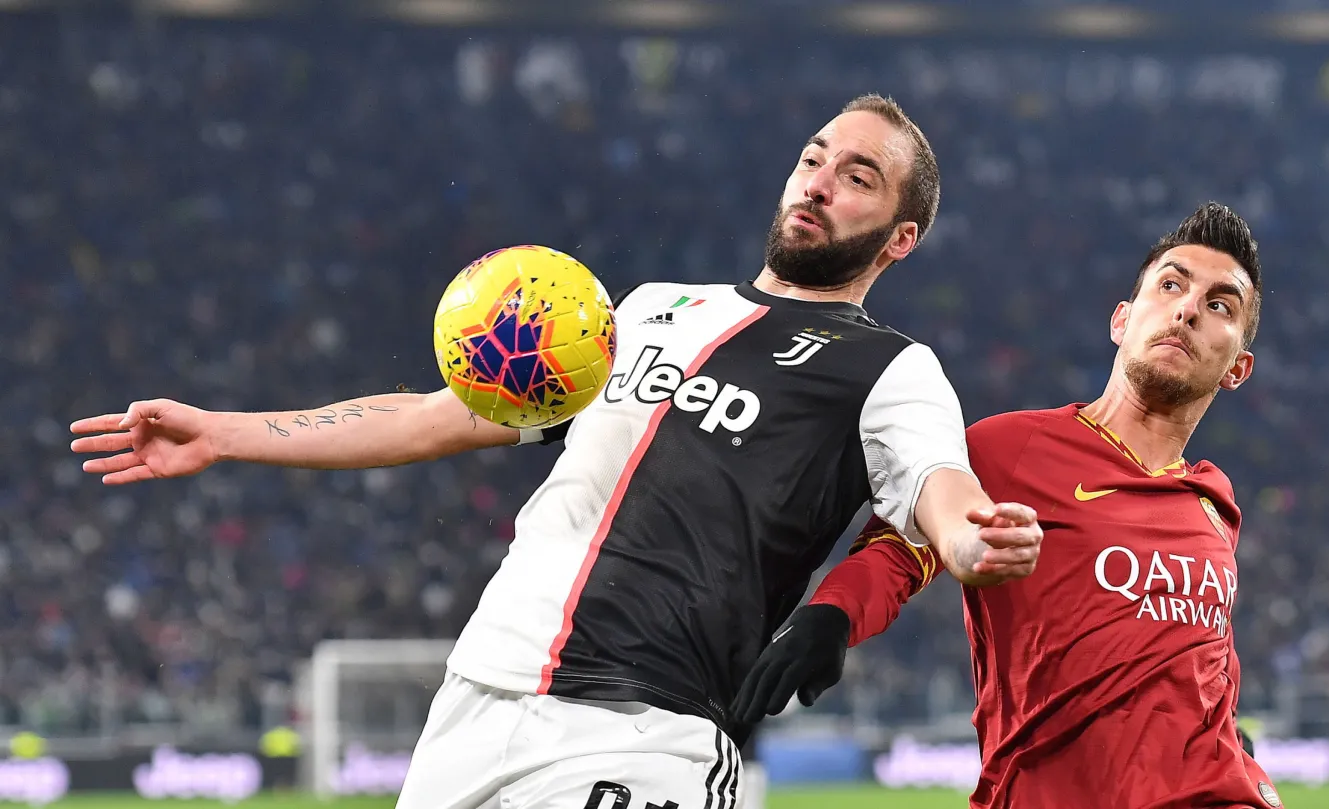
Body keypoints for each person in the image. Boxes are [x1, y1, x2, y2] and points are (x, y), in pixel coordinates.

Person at [70, 94, 1043, 809]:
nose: (819, 183)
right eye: (813, 158)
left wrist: (970, 538)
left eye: (857, 177)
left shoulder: (887, 365)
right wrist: (224, 433)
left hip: (640, 728)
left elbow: (934, 488)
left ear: (900, 237)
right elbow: (443, 415)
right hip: (474, 706)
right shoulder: (651, 309)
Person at [732, 202, 1284, 808]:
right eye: (1171, 284)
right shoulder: (1010, 449)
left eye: (1219, 305)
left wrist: (1225, 725)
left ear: (1238, 368)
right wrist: (832, 615)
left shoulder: (1215, 501)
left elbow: (1196, 644)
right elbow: (903, 543)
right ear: (1121, 320)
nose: (1187, 309)